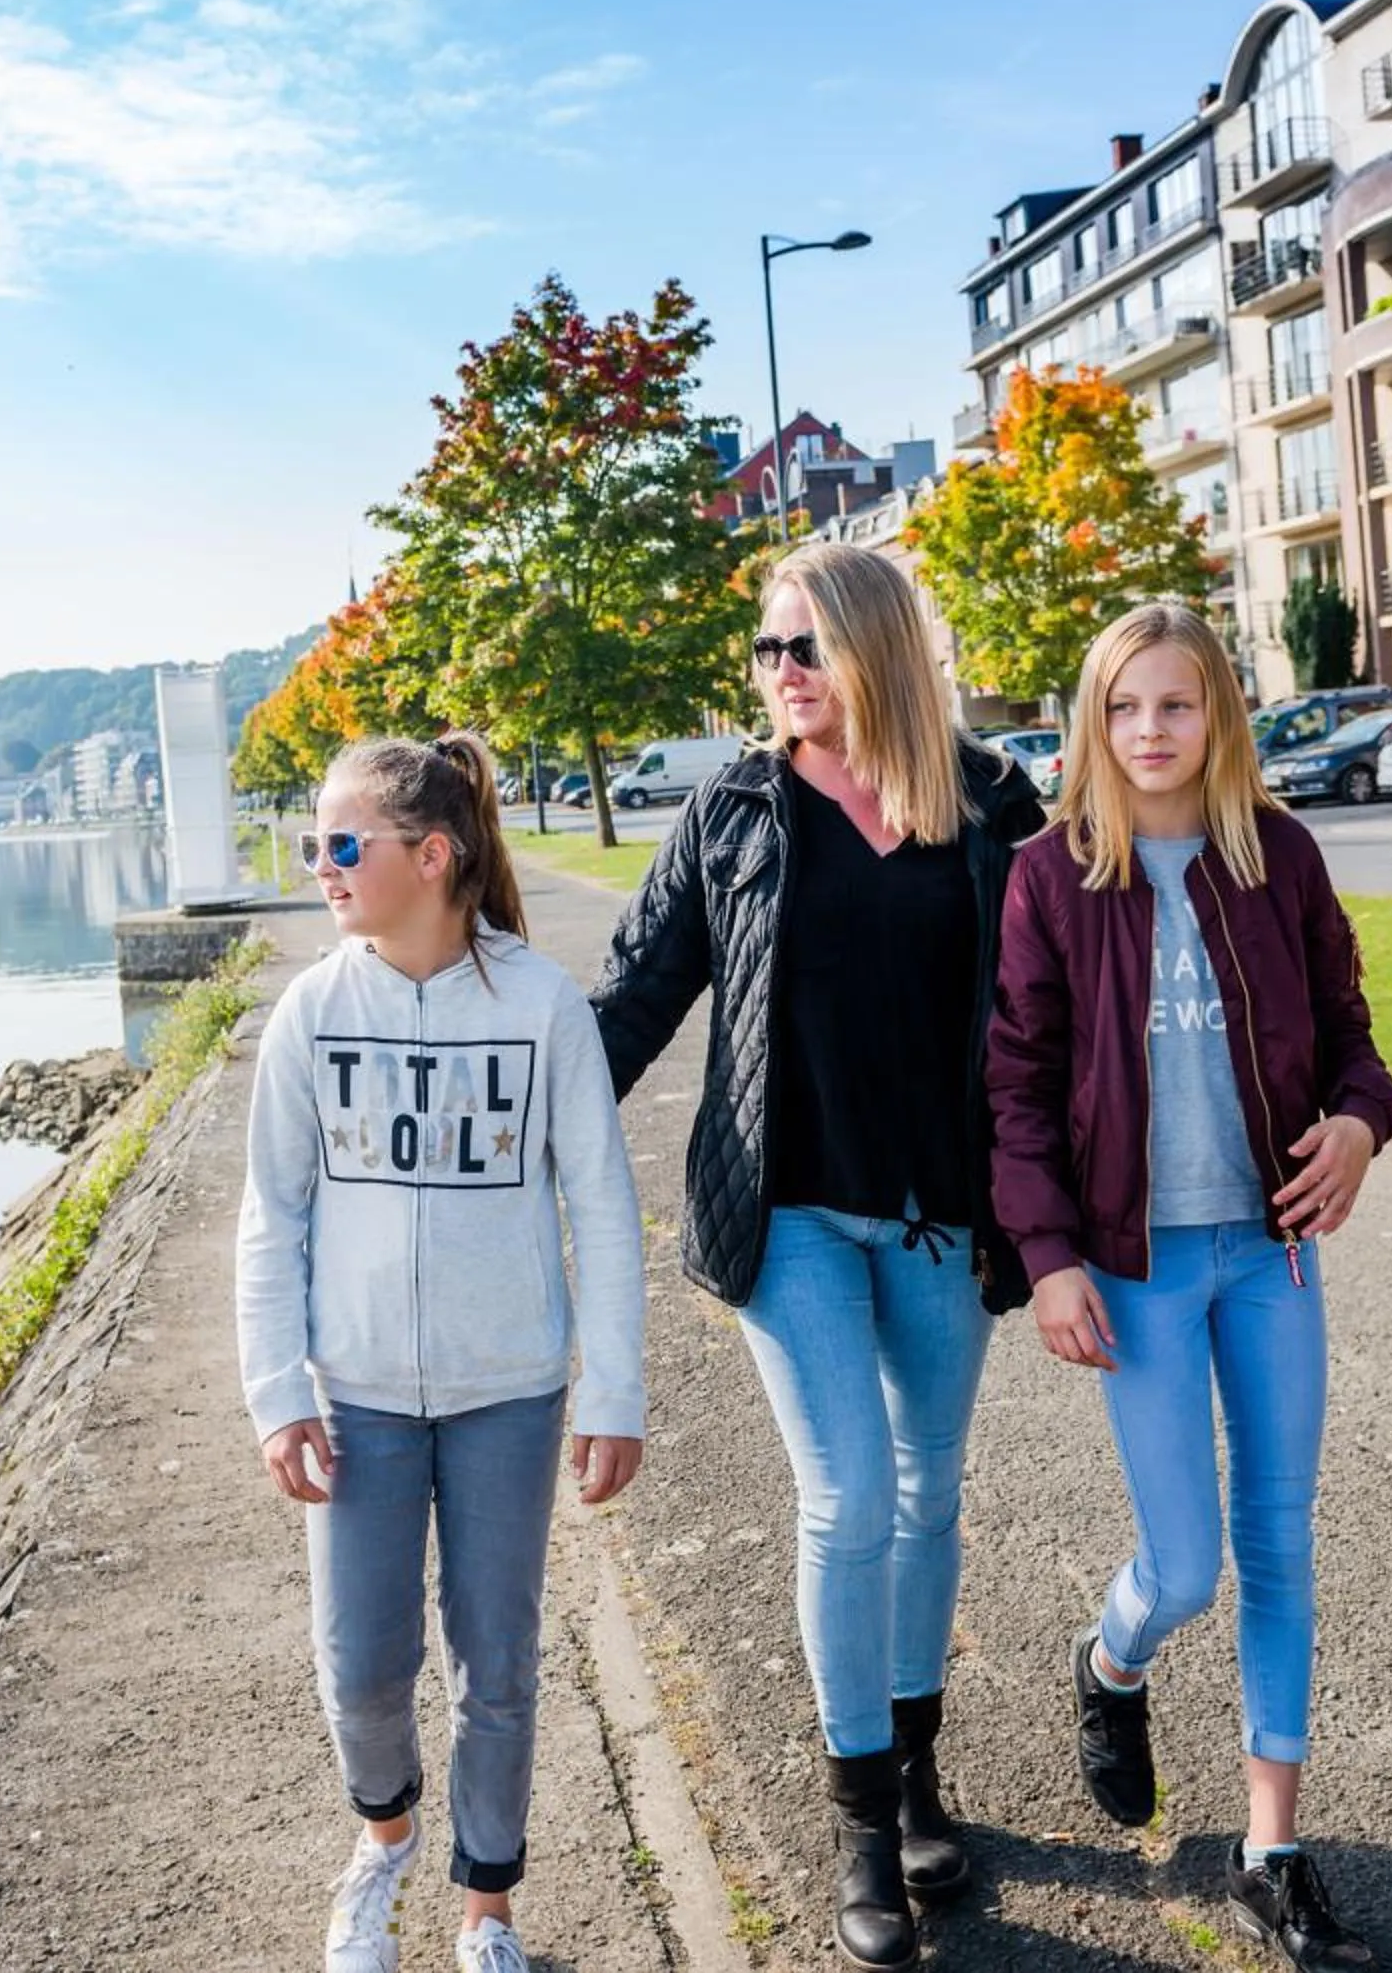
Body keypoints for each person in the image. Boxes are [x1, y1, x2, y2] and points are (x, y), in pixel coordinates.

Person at [590, 540, 1046, 1970]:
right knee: (848, 1497)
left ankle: (917, 1772)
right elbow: (635, 993)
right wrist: (507, 1132)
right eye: (766, 651)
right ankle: (860, 1823)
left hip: (940, 1212)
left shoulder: (986, 799)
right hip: (785, 1209)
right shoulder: (731, 806)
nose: (778, 674)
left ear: (874, 649)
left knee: (932, 1494)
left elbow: (1063, 990)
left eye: (804, 647)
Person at [986, 601, 1392, 1973]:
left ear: (1218, 712)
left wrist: (1356, 1122)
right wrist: (1049, 1257)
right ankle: (1111, 1665)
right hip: (1137, 1264)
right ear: (1091, 724)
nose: (1151, 731)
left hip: (1268, 1253)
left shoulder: (1272, 854)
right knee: (1184, 1566)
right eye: (1124, 707)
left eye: (1177, 704)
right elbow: (1020, 1085)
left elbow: (1351, 1038)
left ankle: (1274, 1851)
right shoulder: (1052, 875)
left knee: (1281, 1546)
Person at [234, 732, 648, 1973]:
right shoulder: (314, 1008)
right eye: (315, 842)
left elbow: (605, 1204)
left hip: (507, 1392)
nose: (321, 864)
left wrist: (613, 1388)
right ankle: (385, 1840)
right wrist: (275, 1393)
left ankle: (487, 1910)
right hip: (353, 1397)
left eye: (341, 842)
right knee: (362, 1664)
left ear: (433, 854)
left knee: (500, 1665)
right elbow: (272, 1216)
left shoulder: (539, 1005)